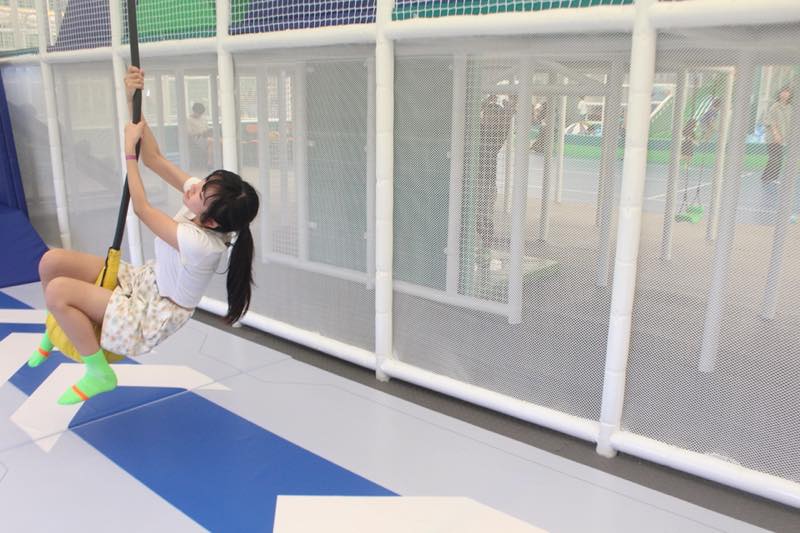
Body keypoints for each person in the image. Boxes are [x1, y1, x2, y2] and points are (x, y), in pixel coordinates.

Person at [27, 66, 260, 405]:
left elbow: (142, 208)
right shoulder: (206, 205)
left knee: (59, 291)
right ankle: (57, 330)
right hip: (143, 281)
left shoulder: (202, 245)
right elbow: (154, 158)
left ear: (211, 222)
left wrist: (127, 153)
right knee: (51, 262)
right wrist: (132, 98)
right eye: (204, 183)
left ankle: (98, 372)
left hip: (149, 313)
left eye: (201, 193)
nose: (193, 187)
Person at [476, 93, 517, 248]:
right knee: (469, 215)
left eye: (493, 116)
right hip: (470, 179)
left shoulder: (497, 133)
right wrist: (486, 101)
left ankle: (486, 246)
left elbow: (507, 117)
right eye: (487, 115)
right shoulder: (477, 129)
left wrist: (510, 106)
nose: (488, 118)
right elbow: (470, 114)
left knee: (483, 216)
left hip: (485, 182)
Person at [761, 86, 792, 183]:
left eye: (787, 92)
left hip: (783, 137)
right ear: (779, 94)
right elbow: (770, 122)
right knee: (774, 157)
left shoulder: (790, 108)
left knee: (778, 158)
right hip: (773, 137)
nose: (785, 94)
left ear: (790, 95)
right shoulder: (775, 106)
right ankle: (766, 178)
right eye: (783, 92)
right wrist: (776, 134)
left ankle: (772, 178)